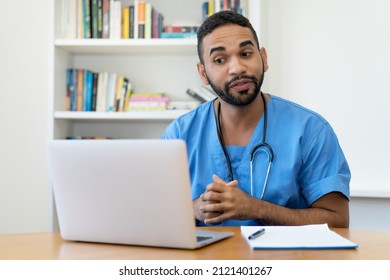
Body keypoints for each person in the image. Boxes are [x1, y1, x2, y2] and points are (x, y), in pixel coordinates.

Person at [162, 10, 351, 228]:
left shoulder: (310, 130)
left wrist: (256, 208)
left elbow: (338, 221)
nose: (237, 68)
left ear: (263, 58)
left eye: (245, 54)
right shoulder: (179, 134)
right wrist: (193, 207)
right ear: (203, 73)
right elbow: (157, 211)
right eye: (220, 59)